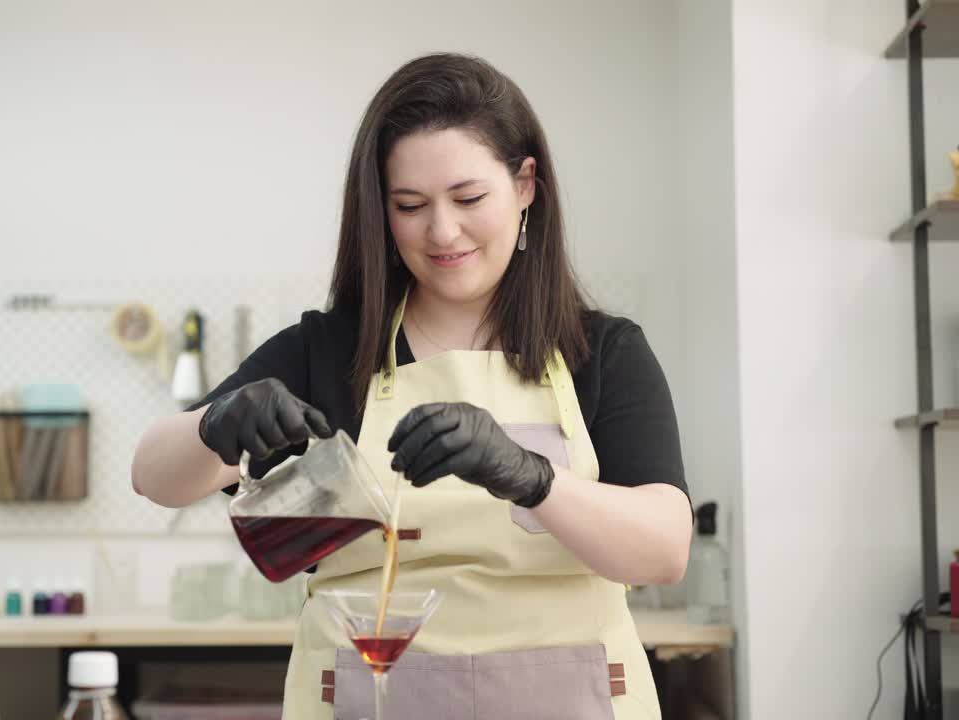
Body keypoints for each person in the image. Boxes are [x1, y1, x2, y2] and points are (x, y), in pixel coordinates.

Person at [133, 52, 691, 719]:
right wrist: (215, 423)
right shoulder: (331, 350)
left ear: (526, 185)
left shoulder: (603, 352)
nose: (442, 231)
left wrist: (531, 478)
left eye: (468, 198)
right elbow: (153, 477)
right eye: (410, 205)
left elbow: (664, 551)